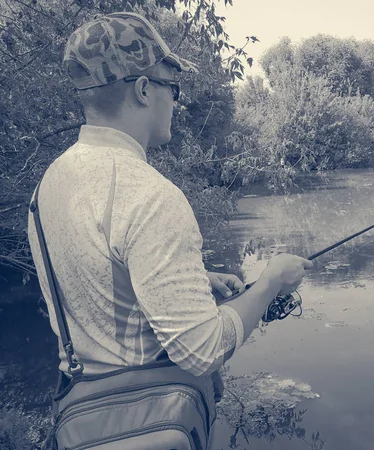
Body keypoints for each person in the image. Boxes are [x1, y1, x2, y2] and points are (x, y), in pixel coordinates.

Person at [27, 11, 312, 449]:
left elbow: (97, 286)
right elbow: (202, 351)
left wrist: (196, 282)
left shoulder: (49, 183)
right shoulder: (150, 195)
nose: (176, 101)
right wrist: (271, 282)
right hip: (149, 425)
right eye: (172, 89)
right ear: (144, 90)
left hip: (82, 423)